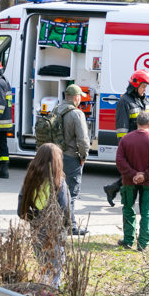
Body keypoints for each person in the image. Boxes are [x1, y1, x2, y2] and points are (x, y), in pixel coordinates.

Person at [17, 143, 71, 288]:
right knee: (56, 266)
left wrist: (31, 218)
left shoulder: (30, 180)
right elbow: (65, 208)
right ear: (57, 162)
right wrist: (67, 226)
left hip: (36, 230)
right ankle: (51, 293)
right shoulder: (59, 183)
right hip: (54, 233)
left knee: (43, 264)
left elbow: (21, 205)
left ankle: (43, 287)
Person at [103, 70, 149, 210]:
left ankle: (112, 188)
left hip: (146, 145)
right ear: (135, 85)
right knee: (137, 175)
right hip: (133, 146)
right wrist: (124, 149)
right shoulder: (124, 102)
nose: (145, 90)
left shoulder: (144, 100)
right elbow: (121, 128)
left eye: (146, 87)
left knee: (143, 173)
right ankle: (147, 205)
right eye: (143, 86)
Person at [115, 111, 149, 251]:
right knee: (146, 211)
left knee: (128, 209)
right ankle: (143, 244)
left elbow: (120, 161)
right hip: (148, 182)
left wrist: (133, 175)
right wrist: (145, 175)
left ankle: (128, 240)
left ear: (137, 122)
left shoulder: (125, 139)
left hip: (129, 181)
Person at [54, 84, 90, 235]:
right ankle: (71, 226)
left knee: (56, 191)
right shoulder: (77, 114)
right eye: (80, 96)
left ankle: (55, 223)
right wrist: (83, 156)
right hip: (70, 157)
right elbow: (83, 140)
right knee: (71, 193)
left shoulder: (55, 110)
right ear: (76, 98)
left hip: (55, 156)